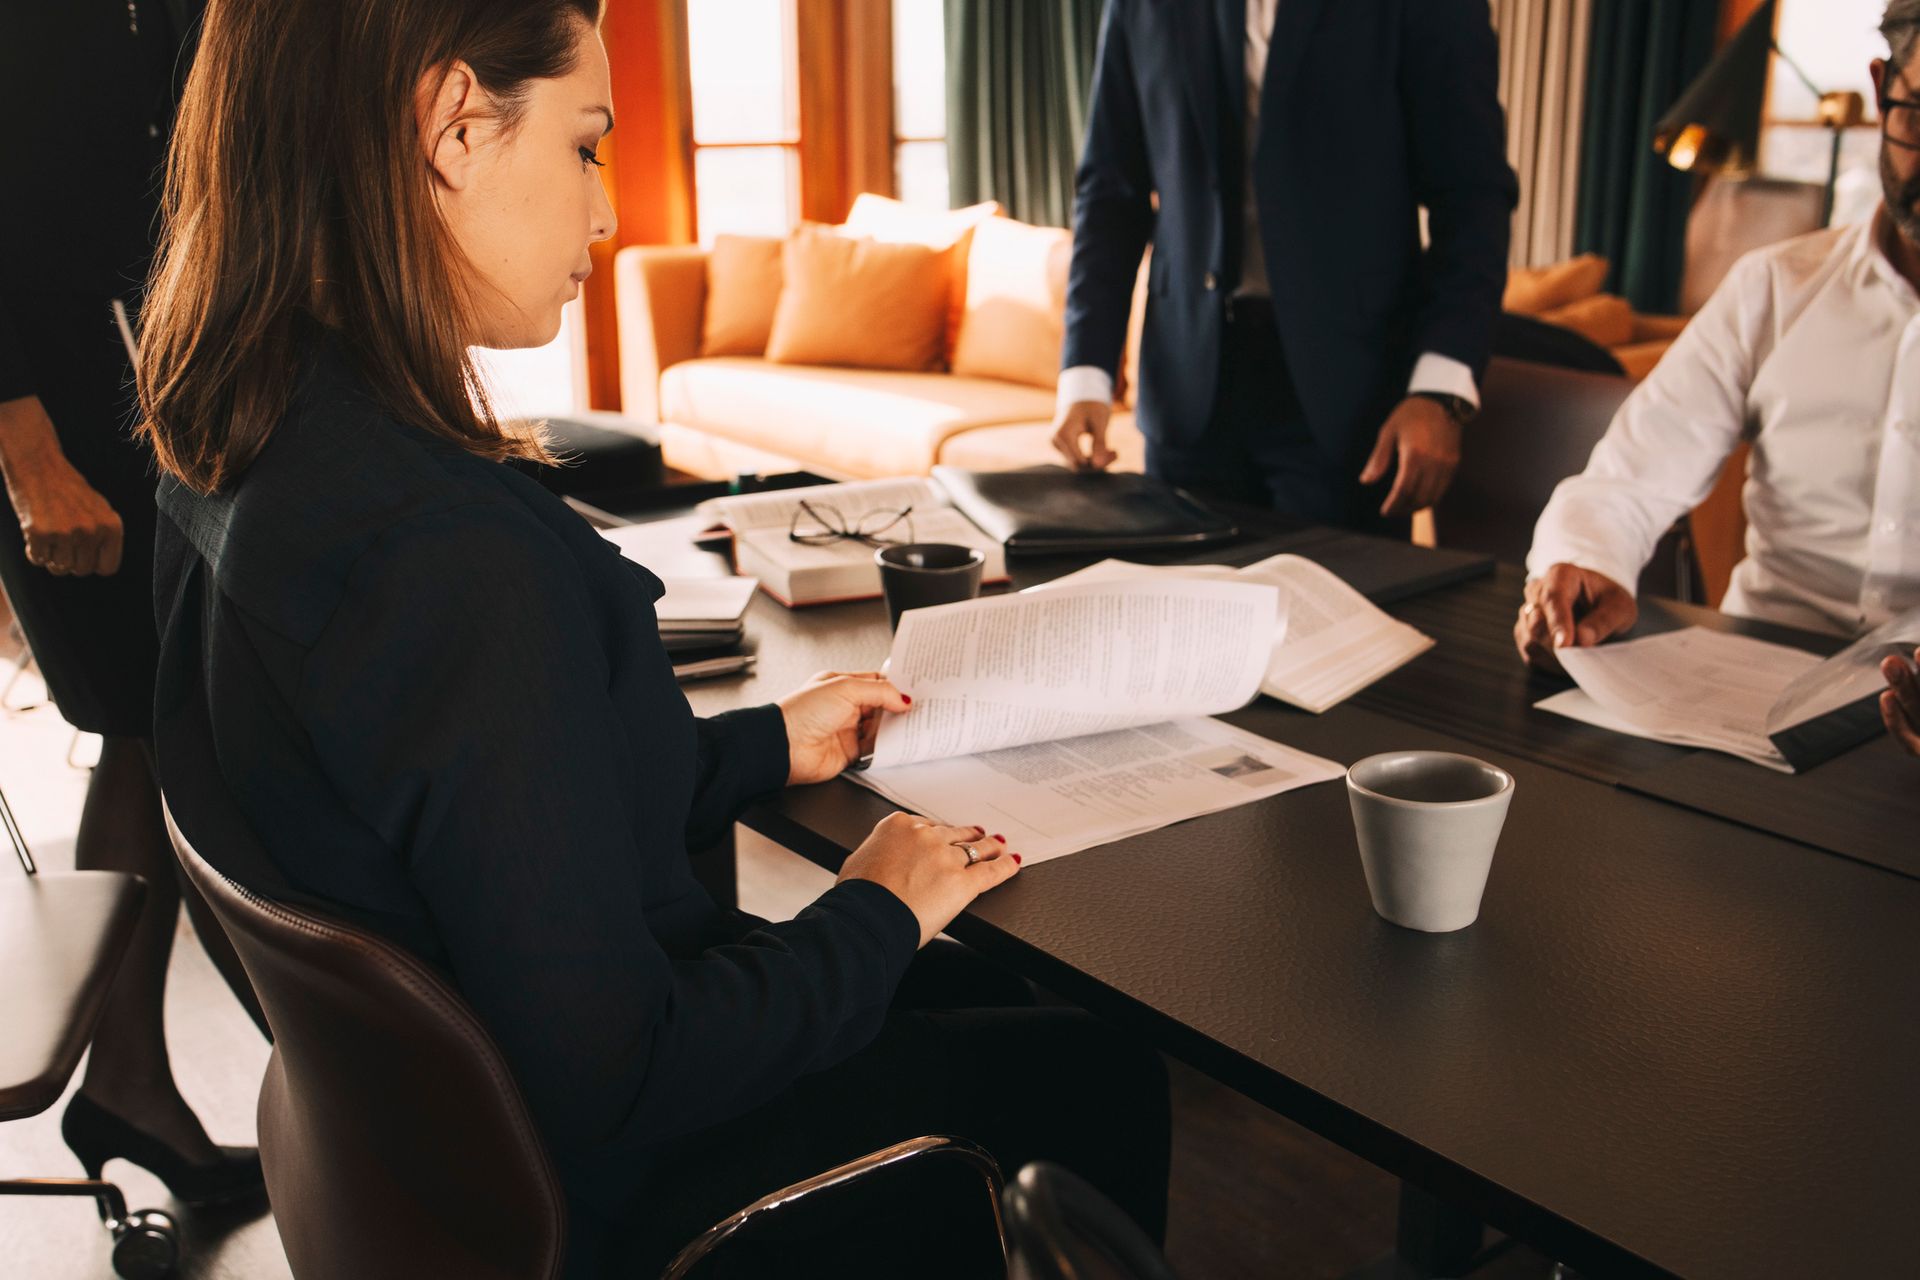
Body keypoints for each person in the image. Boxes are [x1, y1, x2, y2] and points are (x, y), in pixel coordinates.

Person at [137, 2, 1170, 1276]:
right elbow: (621, 1066)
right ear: (454, 126)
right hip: (626, 1183)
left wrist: (750, 747)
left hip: (431, 1153)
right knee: (1099, 1067)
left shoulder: (236, 452)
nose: (609, 212)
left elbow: (474, 807)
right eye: (585, 146)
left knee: (999, 1002)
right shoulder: (445, 556)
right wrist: (873, 908)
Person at [0, 0, 265, 1209]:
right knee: (156, 726)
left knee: (153, 732)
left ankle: (131, 1080)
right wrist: (21, 448)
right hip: (54, 422)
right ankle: (142, 1081)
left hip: (163, 397)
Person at [1516, 0, 1920, 771]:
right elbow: (1630, 477)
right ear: (1880, 91)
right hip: (1746, 705)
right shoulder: (1772, 288)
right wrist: (1585, 561)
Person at [1050, 0, 1517, 532]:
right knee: (1184, 608)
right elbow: (1111, 192)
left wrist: (1440, 390)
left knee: (1335, 614)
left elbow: (1473, 199)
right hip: (1187, 393)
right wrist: (1086, 370)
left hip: (1352, 399)